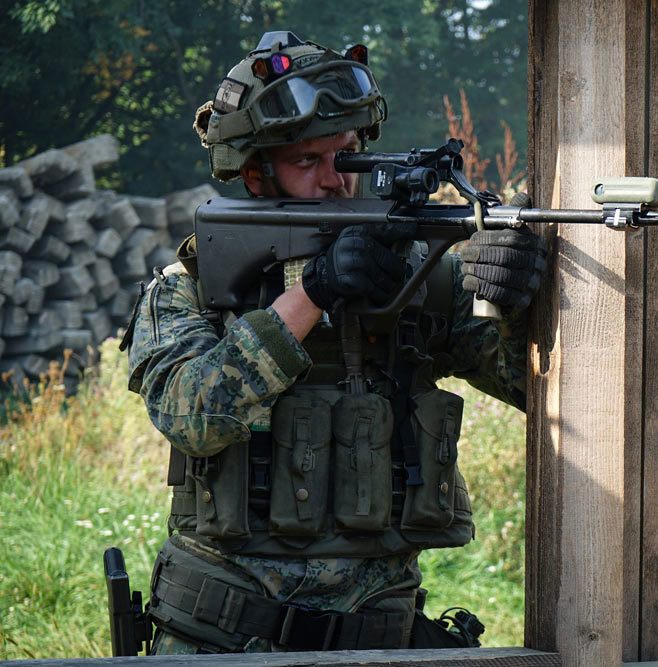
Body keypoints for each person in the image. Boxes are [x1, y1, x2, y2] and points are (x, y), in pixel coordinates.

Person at [123, 30, 545, 654]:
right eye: (307, 162)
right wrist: (312, 293)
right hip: (222, 639)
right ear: (255, 174)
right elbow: (194, 415)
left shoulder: (416, 279)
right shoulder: (192, 288)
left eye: (345, 155)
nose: (334, 179)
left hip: (381, 636)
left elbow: (527, 389)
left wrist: (510, 304)